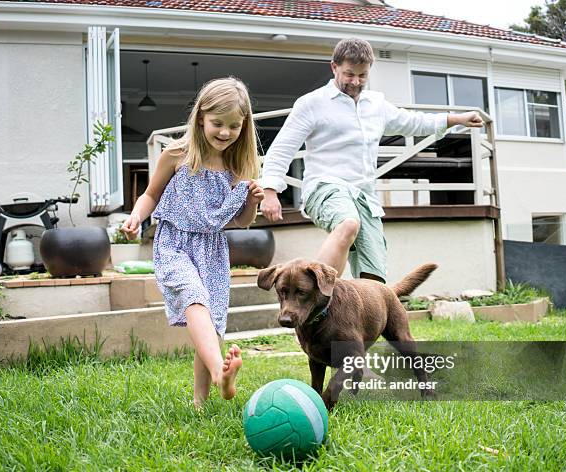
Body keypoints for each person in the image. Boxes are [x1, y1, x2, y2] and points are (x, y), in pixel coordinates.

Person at [260, 37, 483, 283]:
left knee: (375, 278)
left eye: (362, 76)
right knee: (348, 223)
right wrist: (270, 190)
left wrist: (456, 119)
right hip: (325, 188)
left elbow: (413, 122)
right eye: (349, 74)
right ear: (334, 67)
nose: (355, 82)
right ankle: (314, 297)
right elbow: (281, 148)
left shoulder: (376, 104)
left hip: (364, 197)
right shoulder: (312, 103)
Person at [121, 77, 264, 409]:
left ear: (244, 126)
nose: (225, 132)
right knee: (194, 297)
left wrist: (253, 201)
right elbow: (151, 194)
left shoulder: (237, 168)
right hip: (174, 244)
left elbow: (240, 221)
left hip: (213, 250)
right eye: (218, 123)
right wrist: (136, 217)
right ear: (201, 117)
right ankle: (220, 374)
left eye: (234, 126)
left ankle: (201, 402)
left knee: (210, 319)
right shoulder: (177, 154)